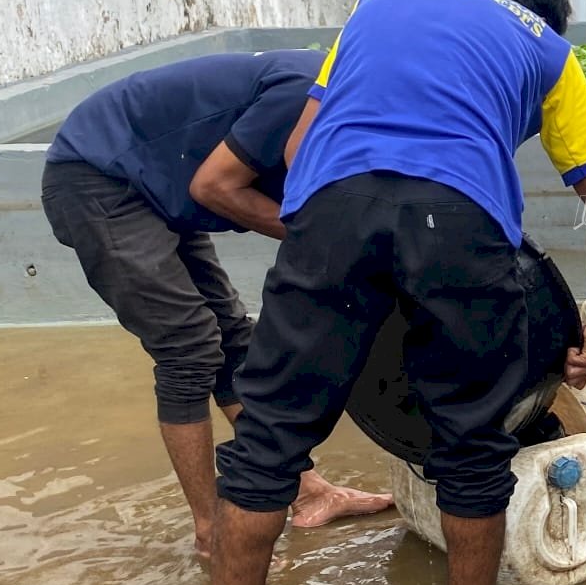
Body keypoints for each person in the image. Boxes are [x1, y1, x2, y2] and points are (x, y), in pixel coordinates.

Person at [176, 0, 586, 585]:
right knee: (472, 445)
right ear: (541, 15)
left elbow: (295, 151)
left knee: (266, 445)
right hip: (460, 223)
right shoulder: (545, 47)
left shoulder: (379, 1)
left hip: (330, 208)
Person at [41, 52, 395, 556]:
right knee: (188, 347)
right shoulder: (308, 93)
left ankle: (308, 490)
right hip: (99, 176)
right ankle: (212, 530)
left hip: (155, 182)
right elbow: (215, 187)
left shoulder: (368, 113)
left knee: (232, 337)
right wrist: (325, 242)